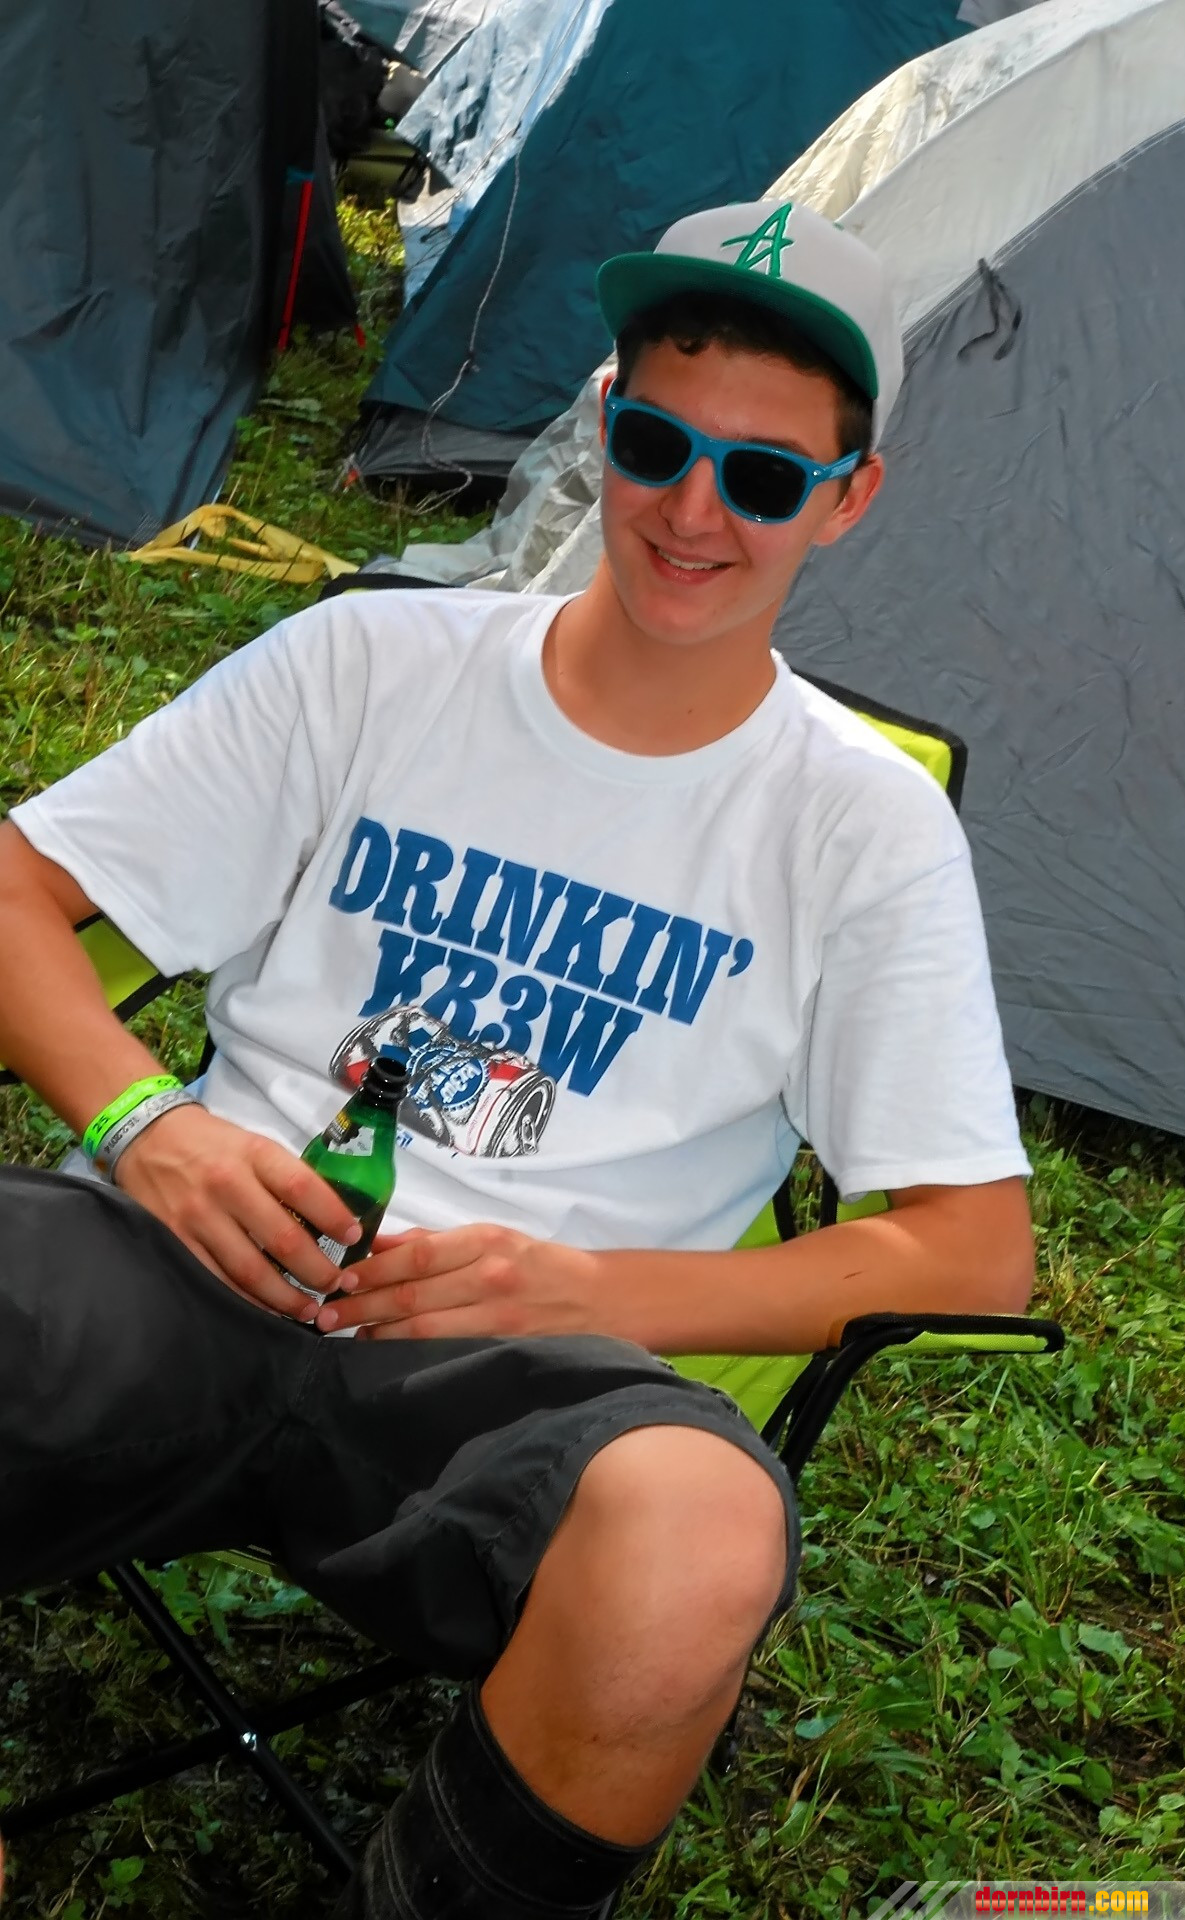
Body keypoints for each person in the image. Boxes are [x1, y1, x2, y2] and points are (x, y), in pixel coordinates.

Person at [0, 200, 1034, 1918]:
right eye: (659, 445)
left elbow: (971, 1250)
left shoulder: (858, 825)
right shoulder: (371, 663)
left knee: (699, 1543)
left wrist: (585, 1288)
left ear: (848, 499)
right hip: (198, 1259)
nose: (694, 511)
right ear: (605, 419)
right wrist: (146, 1123)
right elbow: (16, 893)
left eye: (765, 477)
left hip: (526, 1373)